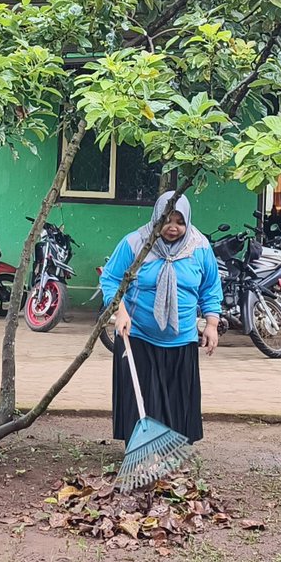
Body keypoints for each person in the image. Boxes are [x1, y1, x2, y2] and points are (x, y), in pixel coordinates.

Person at [101, 191, 223, 445]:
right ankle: (140, 450)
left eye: (180, 222)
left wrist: (211, 324)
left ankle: (173, 451)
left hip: (182, 338)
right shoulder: (136, 243)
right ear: (157, 216)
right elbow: (111, 278)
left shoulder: (199, 247)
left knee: (178, 401)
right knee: (142, 399)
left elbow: (210, 287)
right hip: (138, 336)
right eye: (167, 220)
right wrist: (119, 311)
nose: (173, 228)